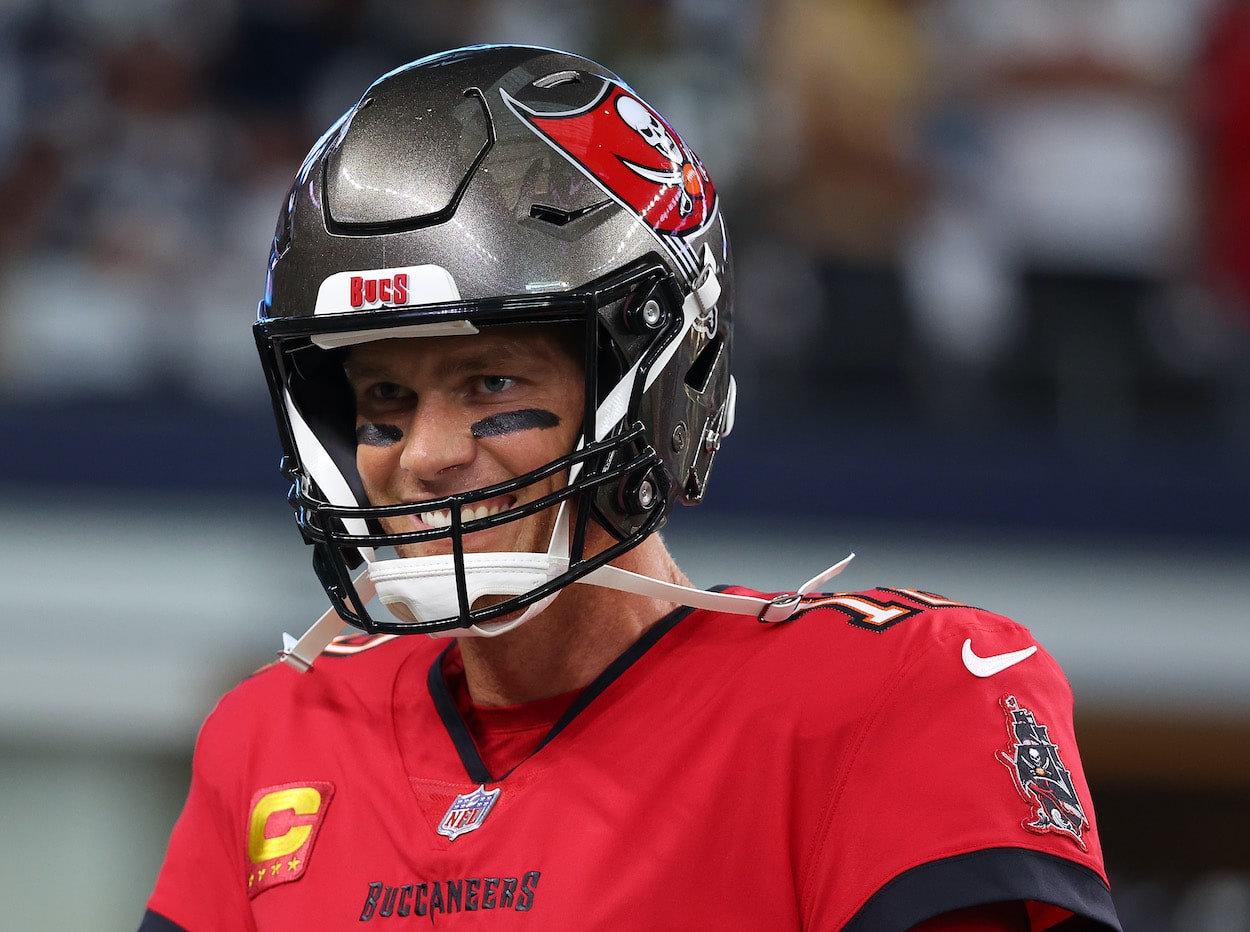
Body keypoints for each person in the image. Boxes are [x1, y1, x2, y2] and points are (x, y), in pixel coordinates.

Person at [139, 45, 1122, 930]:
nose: (426, 452)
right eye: (385, 397)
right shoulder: (278, 734)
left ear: (649, 380)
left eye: (491, 382)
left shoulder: (887, 695)